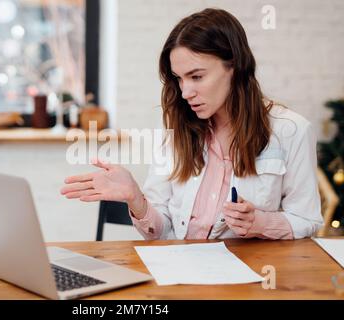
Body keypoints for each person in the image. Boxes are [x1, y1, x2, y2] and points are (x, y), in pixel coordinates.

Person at [60, 8, 323, 240]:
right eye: (179, 79)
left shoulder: (291, 131)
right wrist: (135, 198)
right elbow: (161, 233)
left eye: (196, 76)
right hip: (181, 273)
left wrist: (261, 223)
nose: (185, 92)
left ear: (235, 66)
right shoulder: (179, 129)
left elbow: (307, 220)